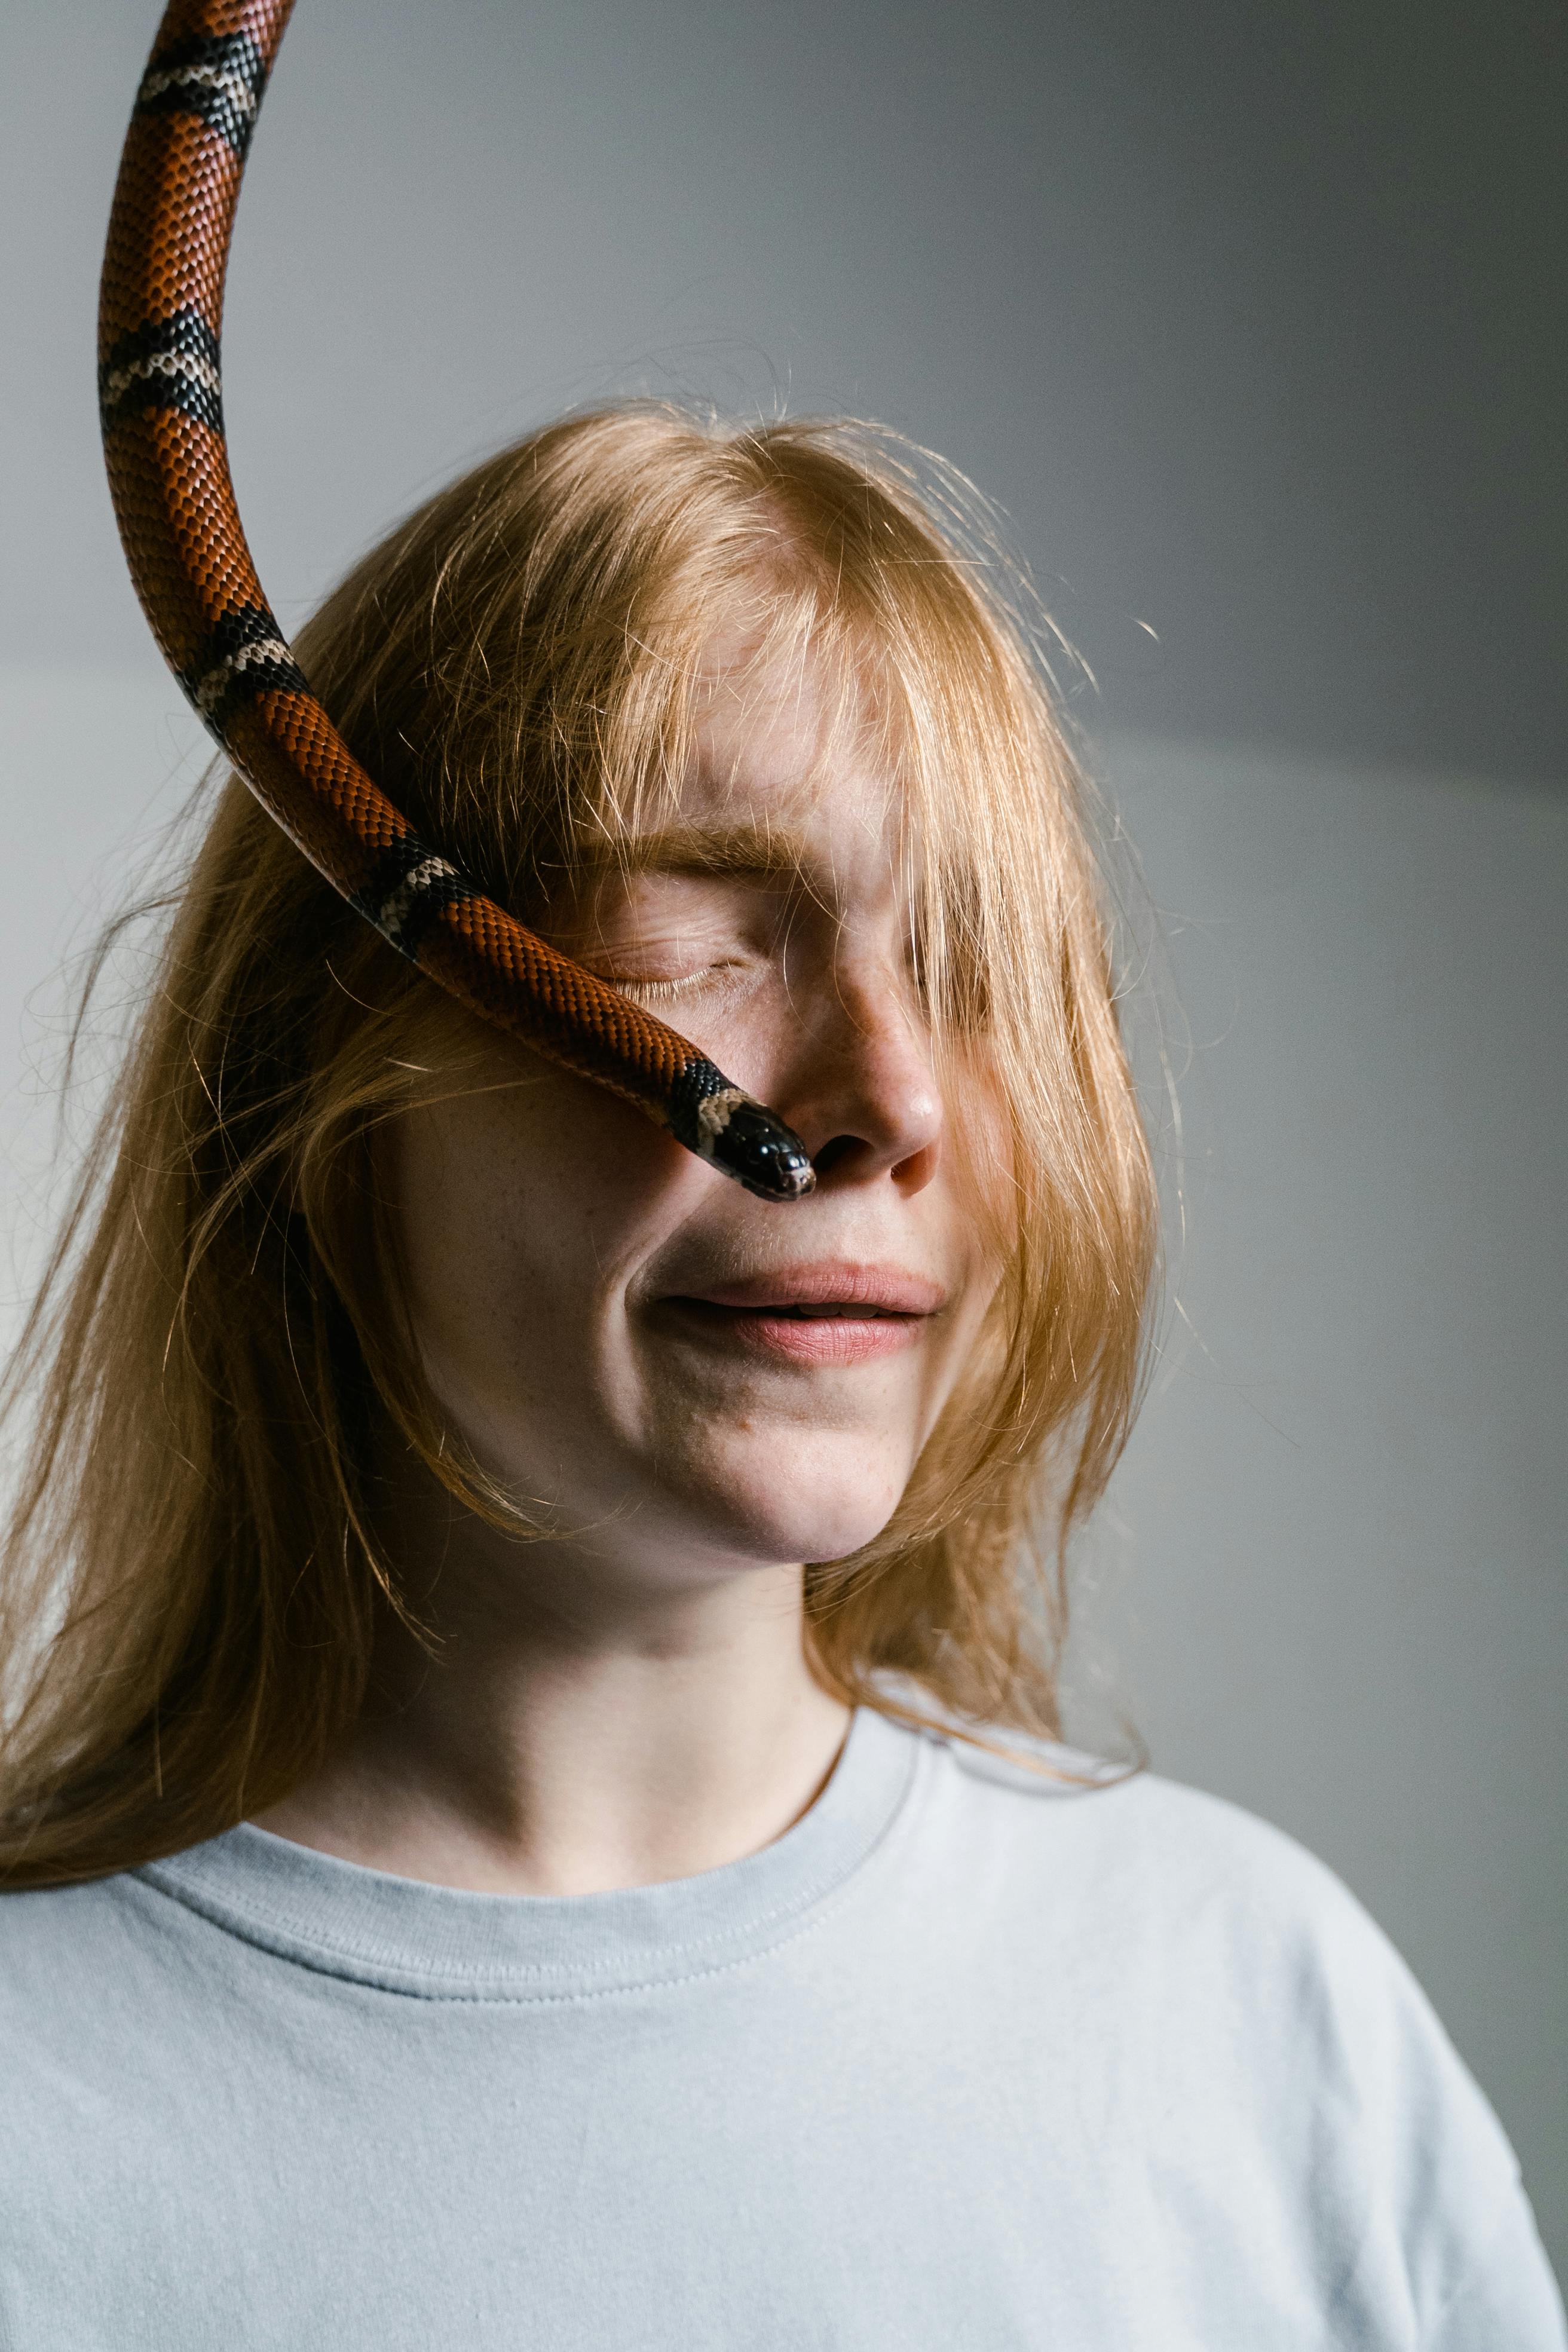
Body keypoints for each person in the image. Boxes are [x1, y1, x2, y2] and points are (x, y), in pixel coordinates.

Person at [0, 406, 1560, 2348]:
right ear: (323, 1077)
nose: (893, 1100)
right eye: (703, 935)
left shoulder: (1263, 2015)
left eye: (979, 968)